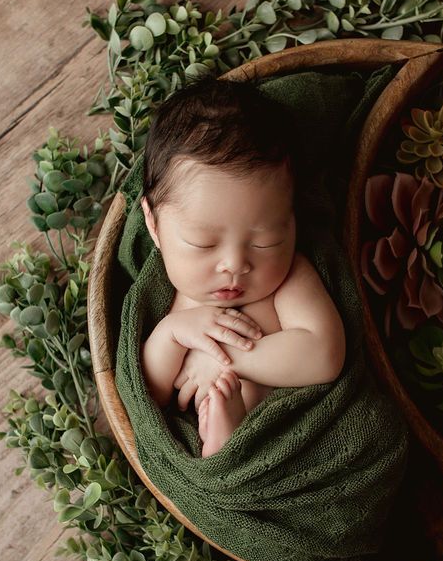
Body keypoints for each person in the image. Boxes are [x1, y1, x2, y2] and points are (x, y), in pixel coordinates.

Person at [137, 76, 346, 458]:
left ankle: (231, 441)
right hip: (209, 450)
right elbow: (147, 392)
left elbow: (324, 355)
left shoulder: (289, 280)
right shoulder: (173, 306)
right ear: (153, 225)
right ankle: (222, 450)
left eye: (265, 241)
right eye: (203, 243)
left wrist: (221, 357)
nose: (234, 265)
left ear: (293, 221)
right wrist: (170, 334)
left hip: (291, 441)